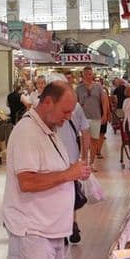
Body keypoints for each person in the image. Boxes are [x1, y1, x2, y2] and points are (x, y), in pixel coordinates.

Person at [2, 82, 92, 259]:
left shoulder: (49, 131)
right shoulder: (26, 132)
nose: (69, 117)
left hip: (51, 232)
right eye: (65, 111)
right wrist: (67, 174)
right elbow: (27, 181)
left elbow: (50, 171)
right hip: (33, 235)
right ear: (48, 102)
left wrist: (72, 170)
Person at [57, 98, 91, 245]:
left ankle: (62, 229)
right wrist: (84, 157)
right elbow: (85, 131)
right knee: (71, 193)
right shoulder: (76, 106)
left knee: (57, 195)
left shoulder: (48, 109)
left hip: (54, 156)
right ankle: (72, 223)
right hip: (71, 156)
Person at [75, 67, 110, 168]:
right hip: (83, 118)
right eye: (86, 74)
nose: (88, 76)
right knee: (83, 140)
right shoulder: (79, 88)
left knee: (94, 139)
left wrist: (105, 114)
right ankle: (84, 161)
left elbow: (103, 101)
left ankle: (91, 162)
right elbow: (76, 103)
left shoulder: (98, 87)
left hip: (96, 116)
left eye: (90, 74)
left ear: (92, 74)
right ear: (83, 75)